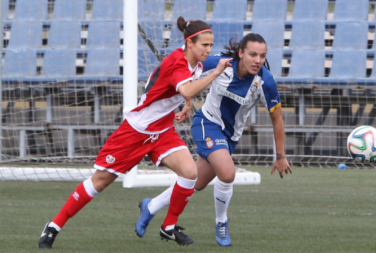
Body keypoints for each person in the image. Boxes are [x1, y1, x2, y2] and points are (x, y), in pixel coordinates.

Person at [38, 16, 232, 249]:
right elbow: (188, 87)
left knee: (190, 172)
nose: (209, 50)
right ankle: (53, 226)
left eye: (211, 45)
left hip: (161, 131)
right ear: (190, 43)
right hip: (136, 131)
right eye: (205, 45)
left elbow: (183, 90)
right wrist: (214, 74)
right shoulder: (178, 62)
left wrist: (187, 103)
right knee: (99, 182)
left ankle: (168, 227)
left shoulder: (196, 64)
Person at [135, 33, 292, 247]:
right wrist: (187, 101)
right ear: (240, 53)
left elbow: (277, 120)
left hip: (230, 137)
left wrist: (281, 156)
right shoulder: (219, 64)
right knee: (227, 174)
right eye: (253, 54)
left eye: (262, 56)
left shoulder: (266, 81)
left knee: (195, 182)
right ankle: (221, 222)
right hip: (207, 123)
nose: (257, 60)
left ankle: (151, 206)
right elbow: (184, 70)